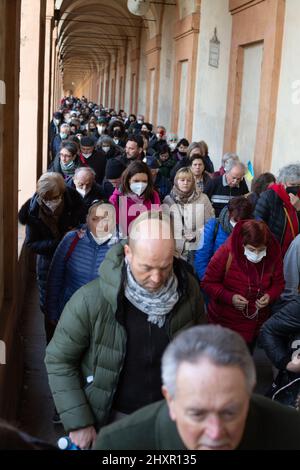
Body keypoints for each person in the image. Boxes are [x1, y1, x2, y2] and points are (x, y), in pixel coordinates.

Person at [45, 211, 205, 449]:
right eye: (147, 267)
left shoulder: (188, 290)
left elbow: (200, 349)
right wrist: (79, 422)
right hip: (112, 421)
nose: (157, 278)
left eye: (165, 266)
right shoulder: (91, 300)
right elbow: (58, 359)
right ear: (128, 253)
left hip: (170, 419)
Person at [95, 325, 300, 450]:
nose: (215, 433)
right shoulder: (118, 445)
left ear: (249, 391)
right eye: (197, 413)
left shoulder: (291, 432)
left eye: (229, 412)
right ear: (171, 400)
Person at [18, 172, 84, 343]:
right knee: (49, 307)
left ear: (62, 193)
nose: (49, 202)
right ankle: (52, 346)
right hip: (48, 263)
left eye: (53, 198)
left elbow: (85, 221)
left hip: (75, 260)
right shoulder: (33, 211)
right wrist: (59, 241)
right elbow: (32, 244)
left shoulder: (73, 200)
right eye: (45, 198)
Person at [202, 220, 284, 352]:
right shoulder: (227, 251)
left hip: (254, 325)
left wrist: (270, 296)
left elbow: (278, 283)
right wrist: (230, 297)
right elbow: (208, 282)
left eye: (261, 250)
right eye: (251, 250)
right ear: (242, 244)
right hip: (225, 324)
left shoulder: (274, 253)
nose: (256, 254)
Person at [45, 201, 117, 326]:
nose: (100, 224)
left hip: (104, 321)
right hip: (70, 314)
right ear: (87, 220)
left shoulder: (121, 248)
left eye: (106, 219)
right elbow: (54, 278)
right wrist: (52, 312)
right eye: (95, 219)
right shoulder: (71, 240)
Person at [194, 196, 254, 281]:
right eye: (235, 221)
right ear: (229, 214)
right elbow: (201, 257)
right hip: (216, 280)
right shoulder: (214, 226)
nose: (237, 225)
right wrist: (208, 282)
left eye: (241, 222)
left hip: (243, 283)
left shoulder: (256, 228)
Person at [163, 167, 214, 263]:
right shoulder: (168, 200)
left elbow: (210, 223)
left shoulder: (203, 199)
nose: (185, 183)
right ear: (176, 181)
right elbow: (164, 227)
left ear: (193, 182)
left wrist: (196, 235)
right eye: (182, 180)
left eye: (189, 180)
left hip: (196, 249)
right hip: (175, 251)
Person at [254, 163, 300, 257]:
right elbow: (257, 224)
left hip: (294, 252)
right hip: (273, 251)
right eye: (292, 184)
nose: (296, 188)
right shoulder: (269, 196)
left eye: (299, 185)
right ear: (283, 182)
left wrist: (299, 208)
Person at [109, 160, 161, 237]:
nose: (140, 184)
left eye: (144, 181)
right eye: (136, 181)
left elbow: (157, 220)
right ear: (128, 179)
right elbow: (113, 228)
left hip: (149, 239)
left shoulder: (153, 195)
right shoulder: (115, 199)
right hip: (125, 241)